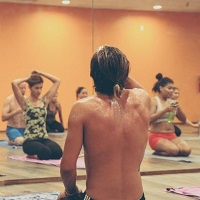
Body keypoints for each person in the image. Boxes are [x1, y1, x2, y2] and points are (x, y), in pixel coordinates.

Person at [57, 45, 150, 200]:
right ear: (125, 72)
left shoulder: (82, 108)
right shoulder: (142, 99)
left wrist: (71, 193)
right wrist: (119, 70)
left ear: (93, 74)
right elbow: (137, 87)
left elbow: (67, 168)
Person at [11, 70, 63, 160]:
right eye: (36, 88)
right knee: (45, 153)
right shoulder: (25, 102)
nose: (39, 91)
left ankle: (39, 152)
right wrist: (27, 78)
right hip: (30, 141)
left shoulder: (44, 101)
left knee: (58, 153)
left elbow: (57, 81)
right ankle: (31, 155)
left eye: (41, 88)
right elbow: (14, 83)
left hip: (43, 139)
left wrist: (41, 73)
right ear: (30, 88)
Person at [149, 73, 191, 156]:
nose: (172, 91)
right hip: (157, 136)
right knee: (174, 151)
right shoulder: (154, 101)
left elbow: (183, 119)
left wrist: (178, 108)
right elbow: (149, 119)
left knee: (186, 150)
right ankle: (158, 151)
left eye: (172, 88)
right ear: (161, 88)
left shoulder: (172, 102)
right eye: (169, 88)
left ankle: (168, 148)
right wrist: (165, 110)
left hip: (172, 135)